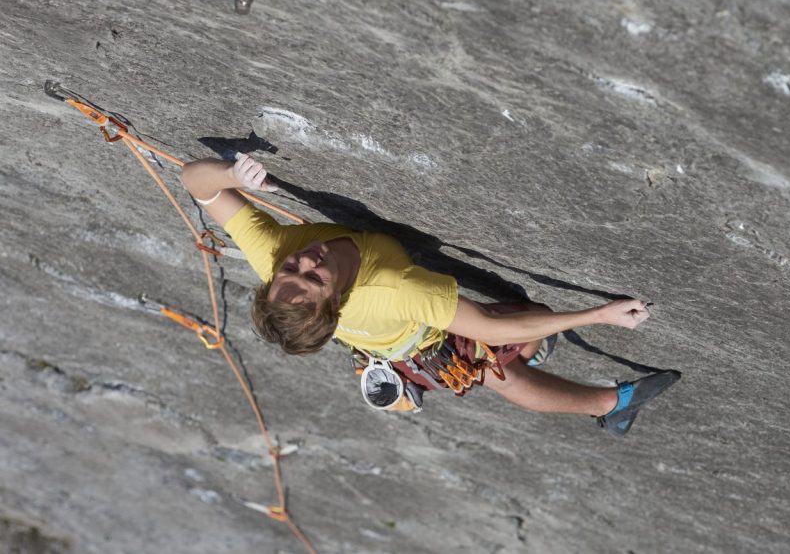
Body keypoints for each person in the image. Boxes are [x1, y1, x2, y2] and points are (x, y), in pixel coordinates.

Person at [181, 154, 678, 436]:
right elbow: (488, 326)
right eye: (314, 277)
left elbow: (195, 183)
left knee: (530, 331)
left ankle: (570, 374)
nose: (307, 258)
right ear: (333, 302)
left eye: (294, 267)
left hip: (379, 339)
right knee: (502, 365)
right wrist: (599, 314)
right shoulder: (395, 290)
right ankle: (610, 404)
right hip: (415, 337)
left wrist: (230, 178)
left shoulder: (275, 255)